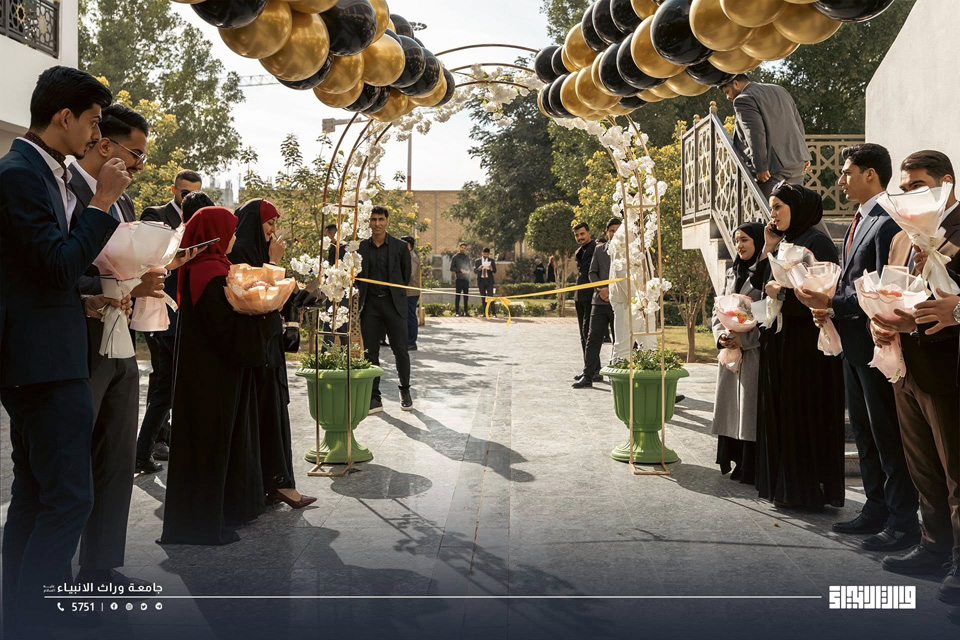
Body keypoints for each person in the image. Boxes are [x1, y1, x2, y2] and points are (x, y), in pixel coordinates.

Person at [0, 65, 127, 636]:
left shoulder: (42, 171)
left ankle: (21, 618)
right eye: (94, 122)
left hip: (45, 354)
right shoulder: (19, 174)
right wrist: (102, 204)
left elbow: (47, 268)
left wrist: (88, 295)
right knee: (71, 500)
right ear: (64, 116)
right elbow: (56, 264)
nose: (97, 135)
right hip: (42, 362)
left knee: (35, 496)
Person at [796, 144, 920, 550]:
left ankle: (902, 522)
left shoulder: (887, 222)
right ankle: (875, 508)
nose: (841, 180)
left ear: (871, 174)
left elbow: (886, 287)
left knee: (886, 435)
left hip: (875, 343)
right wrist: (828, 306)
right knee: (865, 432)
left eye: (847, 172)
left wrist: (832, 302)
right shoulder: (861, 218)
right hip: (852, 343)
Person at [67, 103, 166, 591]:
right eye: (136, 154)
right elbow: (58, 271)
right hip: (78, 341)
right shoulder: (65, 192)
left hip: (121, 339)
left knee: (117, 457)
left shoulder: (124, 202)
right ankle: (52, 574)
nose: (140, 166)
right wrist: (115, 287)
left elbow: (125, 263)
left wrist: (147, 277)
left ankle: (100, 567)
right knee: (71, 464)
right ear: (104, 143)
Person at [160, 207, 279, 545]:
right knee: (210, 446)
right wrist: (266, 317)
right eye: (230, 231)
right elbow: (227, 331)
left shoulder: (205, 268)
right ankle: (202, 525)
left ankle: (213, 516)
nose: (235, 238)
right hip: (212, 378)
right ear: (215, 234)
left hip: (207, 374)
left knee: (207, 445)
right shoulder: (211, 273)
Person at [868, 151, 959, 588]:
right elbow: (892, 292)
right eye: (903, 189)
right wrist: (879, 320)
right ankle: (933, 546)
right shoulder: (901, 237)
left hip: (950, 370)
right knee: (923, 468)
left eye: (918, 186)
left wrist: (958, 310)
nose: (908, 195)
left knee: (956, 472)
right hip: (905, 367)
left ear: (947, 184)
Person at [751, 183, 846, 508]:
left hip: (807, 346)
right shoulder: (784, 242)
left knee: (802, 415)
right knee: (781, 413)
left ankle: (806, 491)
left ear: (799, 208)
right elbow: (759, 283)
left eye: (778, 207)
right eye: (771, 208)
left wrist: (782, 293)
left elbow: (821, 297)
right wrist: (768, 247)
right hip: (782, 340)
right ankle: (785, 488)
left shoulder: (817, 243)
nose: (773, 214)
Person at [228, 199, 317, 510]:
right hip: (256, 352)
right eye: (269, 223)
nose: (273, 230)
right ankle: (279, 485)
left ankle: (275, 483)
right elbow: (257, 299)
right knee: (266, 415)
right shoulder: (239, 255)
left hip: (267, 348)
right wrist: (274, 262)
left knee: (273, 414)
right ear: (255, 223)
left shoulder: (256, 253)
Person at [135, 189, 212, 472]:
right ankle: (191, 456)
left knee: (164, 392)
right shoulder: (197, 245)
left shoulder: (170, 239)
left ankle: (142, 452)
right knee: (187, 392)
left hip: (163, 326)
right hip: (181, 328)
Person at [711, 222, 765, 483]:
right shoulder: (732, 272)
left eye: (744, 240)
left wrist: (744, 339)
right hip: (729, 351)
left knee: (749, 410)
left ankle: (750, 465)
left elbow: (767, 316)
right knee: (731, 409)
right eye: (736, 241)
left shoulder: (764, 274)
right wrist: (721, 337)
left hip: (752, 352)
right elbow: (717, 309)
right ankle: (734, 458)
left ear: (757, 242)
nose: (739, 245)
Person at [356, 206, 413, 412]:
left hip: (393, 305)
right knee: (370, 353)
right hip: (370, 305)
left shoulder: (400, 247)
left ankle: (405, 390)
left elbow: (405, 276)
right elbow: (356, 276)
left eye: (381, 219)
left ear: (387, 221)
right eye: (373, 219)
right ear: (369, 222)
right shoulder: (361, 247)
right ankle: (374, 397)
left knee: (401, 350)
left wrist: (394, 294)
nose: (377, 223)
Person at [720, 74, 811, 199]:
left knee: (770, 209)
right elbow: (798, 123)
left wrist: (761, 167)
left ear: (736, 83)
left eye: (727, 92)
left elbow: (755, 134)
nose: (728, 97)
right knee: (793, 207)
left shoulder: (743, 99)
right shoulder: (780, 90)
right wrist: (803, 154)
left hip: (771, 169)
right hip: (796, 161)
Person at [573, 218, 620, 388]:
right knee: (591, 338)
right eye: (611, 230)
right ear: (607, 232)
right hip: (597, 300)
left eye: (617, 230)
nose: (614, 233)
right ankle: (589, 375)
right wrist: (601, 289)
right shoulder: (598, 250)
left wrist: (610, 290)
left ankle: (618, 372)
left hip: (618, 302)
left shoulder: (628, 251)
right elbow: (592, 272)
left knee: (619, 340)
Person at [573, 222, 596, 364]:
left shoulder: (597, 249)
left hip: (592, 296)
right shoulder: (578, 252)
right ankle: (588, 367)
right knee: (583, 334)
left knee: (589, 333)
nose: (579, 237)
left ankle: (592, 370)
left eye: (582, 234)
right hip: (579, 296)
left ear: (589, 233)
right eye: (577, 235)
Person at [401, 236, 421, 350]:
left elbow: (410, 275)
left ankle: (411, 342)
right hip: (406, 292)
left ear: (410, 246)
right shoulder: (407, 256)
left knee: (410, 317)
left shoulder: (412, 258)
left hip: (411, 292)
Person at [450, 242, 472, 316]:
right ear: (459, 248)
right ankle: (457, 312)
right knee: (458, 296)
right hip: (459, 279)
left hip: (466, 279)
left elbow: (469, 267)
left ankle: (466, 312)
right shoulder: (455, 257)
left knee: (466, 296)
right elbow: (451, 268)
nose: (463, 249)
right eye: (462, 247)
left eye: (464, 248)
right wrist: (460, 270)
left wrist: (468, 270)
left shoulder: (467, 257)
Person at [475, 247, 497, 317]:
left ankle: (494, 313)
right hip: (481, 281)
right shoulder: (477, 261)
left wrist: (491, 268)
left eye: (487, 254)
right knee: (483, 297)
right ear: (482, 253)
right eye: (484, 254)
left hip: (489, 281)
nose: (485, 255)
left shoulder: (491, 261)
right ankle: (485, 313)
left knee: (490, 296)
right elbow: (475, 271)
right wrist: (479, 268)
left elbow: (495, 271)